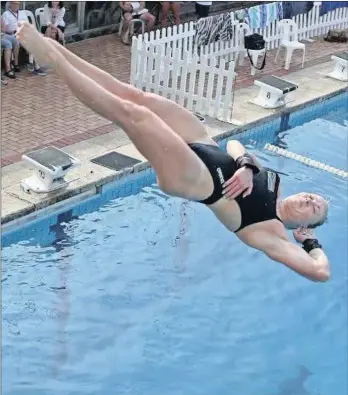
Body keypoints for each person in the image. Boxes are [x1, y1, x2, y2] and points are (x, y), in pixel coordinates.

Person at [16, 21, 331, 283]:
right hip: (204, 143)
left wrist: (311, 245)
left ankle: (51, 59)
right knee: (133, 96)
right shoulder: (274, 182)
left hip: (195, 178)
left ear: (303, 226)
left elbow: (321, 273)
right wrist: (247, 165)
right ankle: (58, 50)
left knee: (131, 114)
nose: (312, 200)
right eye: (315, 197)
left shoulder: (272, 233)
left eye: (315, 209)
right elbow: (235, 145)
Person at [1, 1, 46, 76]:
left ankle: (32, 64)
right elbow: (4, 29)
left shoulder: (22, 13)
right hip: (13, 34)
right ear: (10, 5)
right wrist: (13, 31)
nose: (16, 5)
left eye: (18, 4)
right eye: (14, 4)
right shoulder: (6, 14)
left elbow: (27, 24)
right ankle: (34, 65)